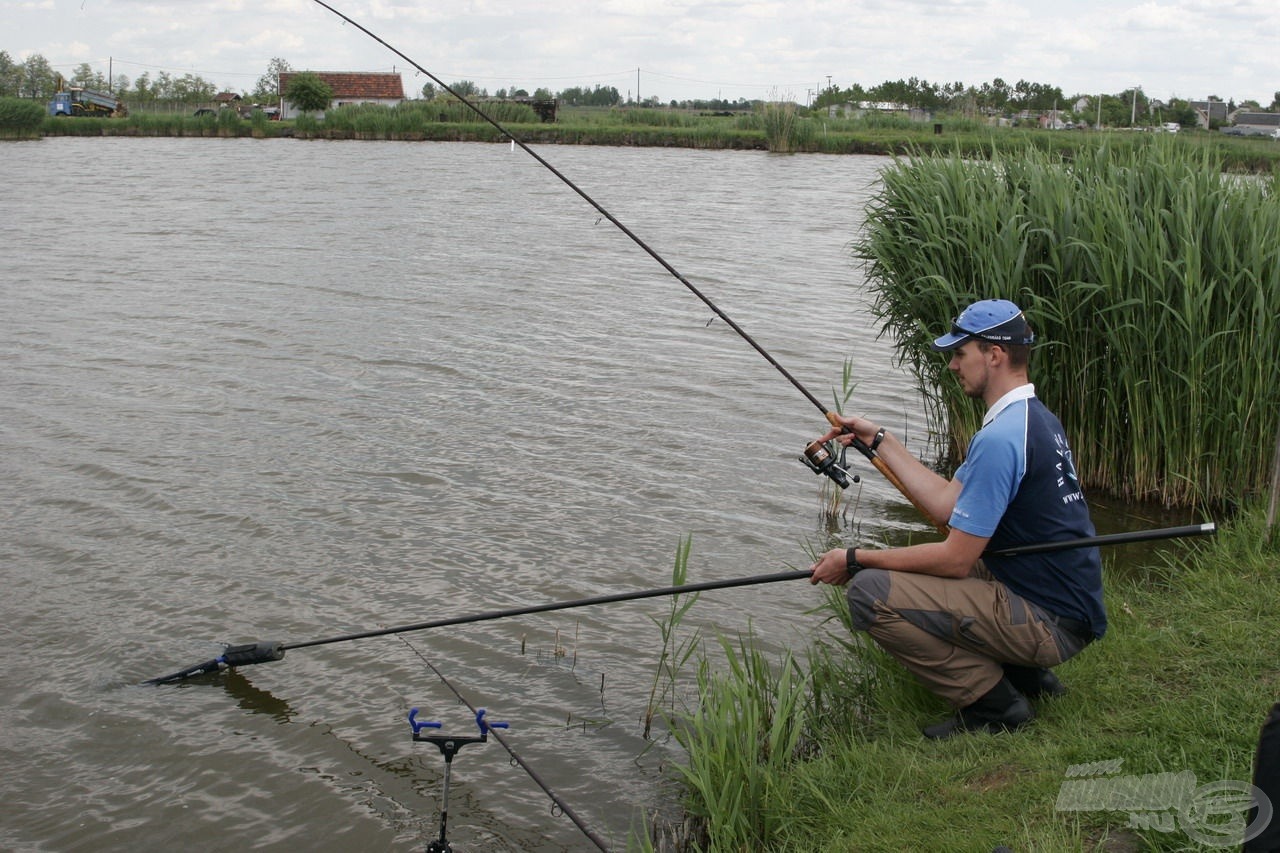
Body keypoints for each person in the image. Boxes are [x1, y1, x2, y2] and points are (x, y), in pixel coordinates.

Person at [808, 298, 1106, 739]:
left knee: (871, 592)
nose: (952, 365)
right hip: (1064, 604)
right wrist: (880, 441)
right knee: (944, 563)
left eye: (960, 353)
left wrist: (855, 558)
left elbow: (955, 561)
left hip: (1051, 622)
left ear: (994, 354)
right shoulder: (1029, 419)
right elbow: (948, 503)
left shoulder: (1002, 438)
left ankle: (996, 706)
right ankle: (1028, 678)